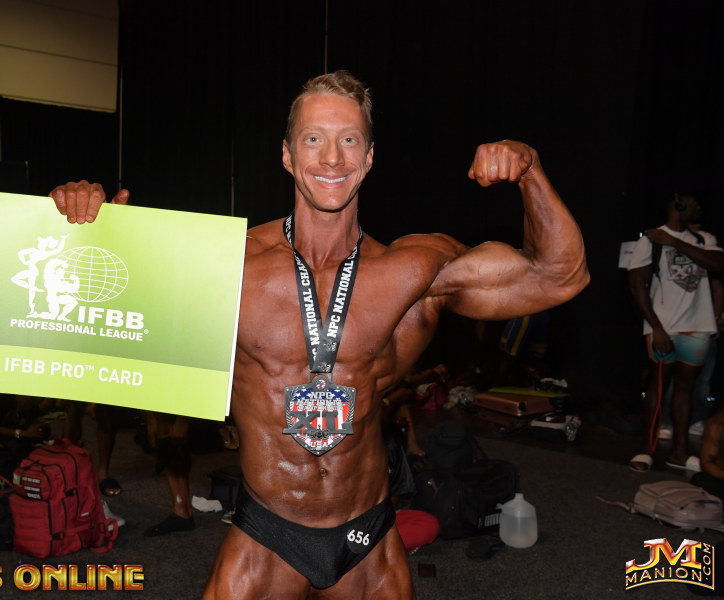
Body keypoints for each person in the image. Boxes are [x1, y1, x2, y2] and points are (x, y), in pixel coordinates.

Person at [51, 70, 589, 599]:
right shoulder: (227, 263)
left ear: (369, 157)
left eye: (349, 140)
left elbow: (559, 276)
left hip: (366, 533)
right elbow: (86, 294)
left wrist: (530, 170)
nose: (332, 158)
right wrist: (81, 223)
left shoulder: (414, 270)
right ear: (288, 155)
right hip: (267, 530)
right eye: (314, 140)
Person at [627, 193, 724, 472]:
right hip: (664, 327)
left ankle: (679, 453)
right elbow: (637, 286)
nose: (700, 208)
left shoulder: (704, 239)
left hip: (697, 326)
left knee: (685, 390)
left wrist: (675, 242)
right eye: (694, 204)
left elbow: (717, 264)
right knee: (657, 388)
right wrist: (656, 327)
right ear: (678, 206)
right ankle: (647, 450)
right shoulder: (650, 240)